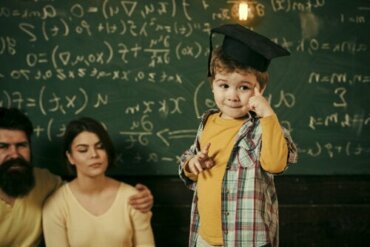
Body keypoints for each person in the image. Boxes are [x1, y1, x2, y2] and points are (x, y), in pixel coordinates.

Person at [179, 24, 298, 247]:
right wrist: (192, 163)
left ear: (260, 90)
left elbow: (275, 164)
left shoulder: (265, 127)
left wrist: (268, 115)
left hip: (246, 238)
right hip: (205, 236)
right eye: (224, 85)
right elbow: (191, 157)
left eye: (244, 87)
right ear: (212, 86)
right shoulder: (208, 122)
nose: (232, 95)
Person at [0, 107, 154, 247]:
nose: (14, 154)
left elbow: (77, 192)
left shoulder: (45, 182)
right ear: (70, 157)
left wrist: (144, 197)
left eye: (21, 145)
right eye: (3, 147)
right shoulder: (56, 204)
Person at [42, 117, 155, 247]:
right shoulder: (56, 205)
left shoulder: (133, 198)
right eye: (83, 150)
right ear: (70, 157)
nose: (94, 154)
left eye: (100, 147)